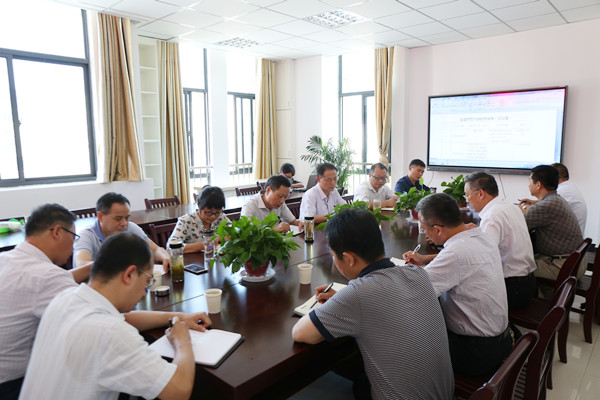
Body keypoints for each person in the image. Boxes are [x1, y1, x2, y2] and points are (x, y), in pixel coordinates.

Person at [20, 232, 212, 400]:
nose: (144, 292)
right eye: (147, 281)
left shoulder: (65, 298)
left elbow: (126, 319)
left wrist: (179, 317)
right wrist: (182, 340)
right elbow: (179, 390)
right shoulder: (111, 333)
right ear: (129, 275)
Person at [292, 209, 453, 400]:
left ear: (349, 259)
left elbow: (300, 333)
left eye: (334, 256)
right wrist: (344, 298)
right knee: (362, 382)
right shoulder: (418, 274)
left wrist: (343, 300)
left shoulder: (358, 294)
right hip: (445, 394)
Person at [403, 193, 512, 377]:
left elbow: (410, 292)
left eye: (424, 229)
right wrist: (426, 262)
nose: (425, 233)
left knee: (403, 348)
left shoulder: (455, 253)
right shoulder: (482, 236)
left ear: (437, 230)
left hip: (475, 352)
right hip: (501, 339)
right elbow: (459, 262)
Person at [0, 204, 86, 400]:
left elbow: (47, 282)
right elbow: (96, 321)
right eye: (73, 237)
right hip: (13, 386)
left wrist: (92, 268)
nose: (73, 246)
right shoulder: (48, 276)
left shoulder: (6, 258)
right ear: (57, 232)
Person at [464, 172, 537, 309]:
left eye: (467, 195)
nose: (467, 200)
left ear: (481, 193)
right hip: (528, 282)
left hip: (512, 288)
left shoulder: (493, 215)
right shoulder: (510, 206)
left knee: (457, 292)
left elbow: (481, 258)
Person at [73, 192, 170, 272]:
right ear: (100, 216)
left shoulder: (130, 227)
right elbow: (82, 264)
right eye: (118, 218)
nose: (124, 223)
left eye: (127, 218)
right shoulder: (86, 235)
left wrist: (165, 257)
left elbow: (155, 249)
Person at [518, 165, 583, 280]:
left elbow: (517, 228)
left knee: (513, 267)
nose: (528, 185)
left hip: (563, 266)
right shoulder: (556, 199)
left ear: (538, 185)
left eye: (530, 181)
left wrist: (517, 212)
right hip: (575, 262)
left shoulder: (546, 205)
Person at [168, 186, 230, 253]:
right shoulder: (186, 221)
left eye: (217, 212)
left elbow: (235, 234)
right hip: (193, 259)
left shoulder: (221, 217)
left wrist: (223, 238)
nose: (213, 216)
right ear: (199, 206)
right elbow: (170, 247)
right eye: (209, 212)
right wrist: (204, 245)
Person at [552, 163, 587, 235]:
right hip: (575, 235)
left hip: (568, 238)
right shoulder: (569, 186)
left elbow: (545, 206)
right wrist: (533, 202)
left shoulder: (562, 190)